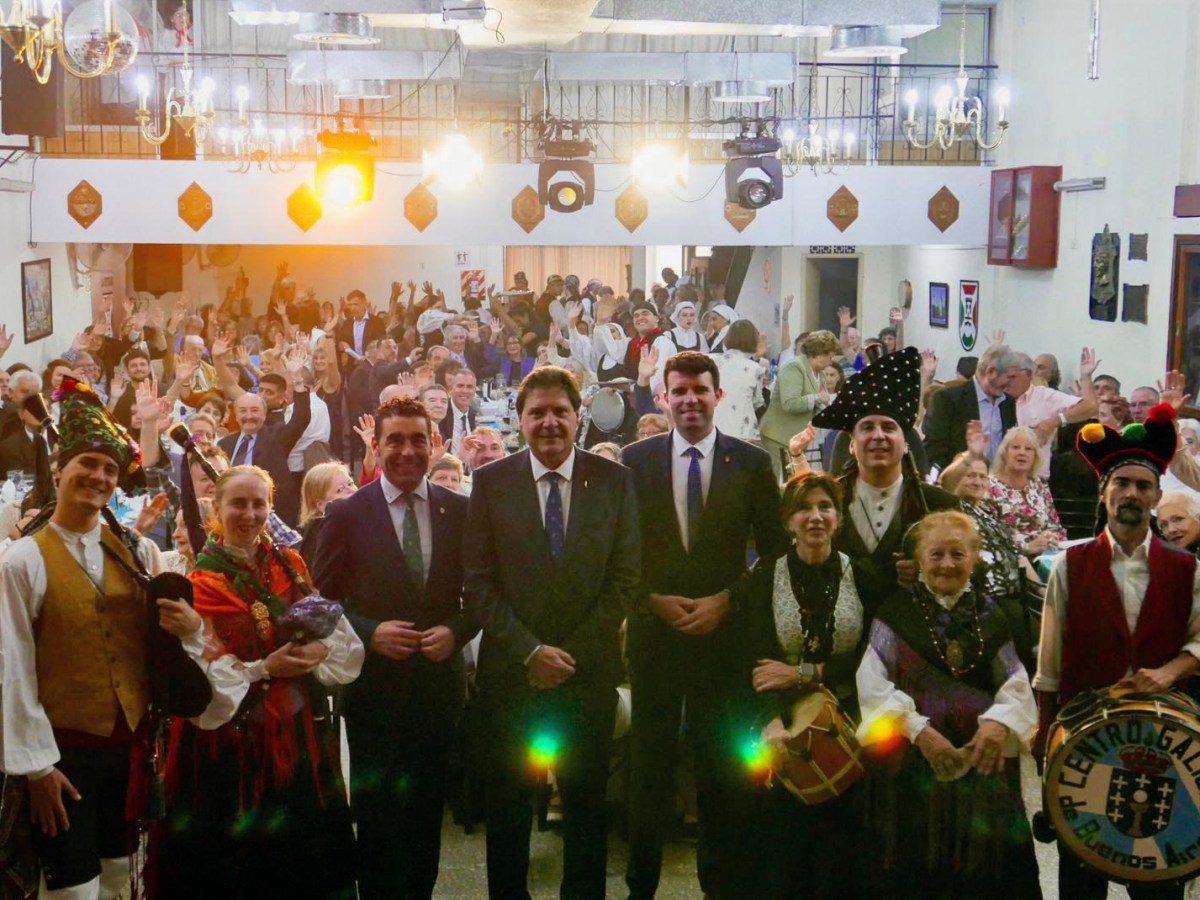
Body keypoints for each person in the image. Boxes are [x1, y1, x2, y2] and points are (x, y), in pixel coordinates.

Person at [0, 378, 225, 900]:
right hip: (63, 758)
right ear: (59, 469)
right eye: (87, 464)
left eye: (108, 469)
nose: (98, 477)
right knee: (73, 892)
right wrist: (37, 769)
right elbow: (12, 668)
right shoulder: (22, 561)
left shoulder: (140, 553)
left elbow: (163, 647)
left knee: (124, 880)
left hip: (131, 754)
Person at [463, 367, 640, 900]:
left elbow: (624, 579)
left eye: (560, 411)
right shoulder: (491, 483)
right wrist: (530, 652)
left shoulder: (615, 481)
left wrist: (568, 655)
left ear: (578, 416)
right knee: (508, 812)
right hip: (511, 678)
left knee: (585, 813)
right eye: (536, 412)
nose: (549, 423)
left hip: (587, 677)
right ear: (519, 420)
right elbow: (479, 583)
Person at [621, 351, 789, 899]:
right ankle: (641, 885)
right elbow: (619, 550)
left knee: (720, 769)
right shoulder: (634, 460)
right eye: (680, 391)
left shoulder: (752, 463)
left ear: (718, 395)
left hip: (723, 639)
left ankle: (721, 885)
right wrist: (649, 601)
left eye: (700, 390)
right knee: (649, 767)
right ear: (663, 398)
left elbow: (774, 554)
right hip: (655, 637)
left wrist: (727, 601)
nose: (690, 399)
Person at [159, 465, 363, 899]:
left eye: (259, 504)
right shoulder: (200, 585)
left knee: (301, 862)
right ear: (217, 509)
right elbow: (202, 679)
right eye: (238, 503)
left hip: (296, 732)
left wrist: (319, 650)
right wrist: (265, 668)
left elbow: (331, 632)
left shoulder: (291, 565)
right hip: (229, 746)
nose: (249, 514)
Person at [1033, 403, 1200, 900]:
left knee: (1159, 874)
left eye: (1143, 486)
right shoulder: (1070, 564)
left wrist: (1170, 670)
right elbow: (1049, 662)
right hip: (1084, 738)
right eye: (1121, 484)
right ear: (1104, 492)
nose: (1132, 494)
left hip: (1163, 740)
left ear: (1156, 498)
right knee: (1081, 877)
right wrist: (1044, 736)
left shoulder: (1187, 569)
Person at [313, 398, 475, 899]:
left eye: (417, 439)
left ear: (435, 443)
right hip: (374, 692)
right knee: (378, 820)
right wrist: (368, 631)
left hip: (438, 689)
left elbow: (484, 592)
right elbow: (320, 601)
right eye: (395, 441)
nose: (407, 451)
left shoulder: (460, 511)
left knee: (425, 817)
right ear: (377, 445)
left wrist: (457, 630)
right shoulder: (346, 513)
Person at [857, 510, 1041, 899]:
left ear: (974, 557)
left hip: (983, 763)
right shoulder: (894, 610)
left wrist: (998, 724)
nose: (947, 564)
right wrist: (919, 732)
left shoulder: (993, 613)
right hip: (914, 766)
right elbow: (872, 684)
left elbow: (1015, 682)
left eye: (958, 554)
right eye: (936, 554)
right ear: (919, 559)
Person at [733, 471, 866, 899]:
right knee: (785, 853)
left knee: (843, 855)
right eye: (803, 508)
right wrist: (770, 722)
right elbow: (752, 661)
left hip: (850, 720)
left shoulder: (861, 575)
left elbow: (872, 659)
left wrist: (805, 673)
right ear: (788, 520)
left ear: (838, 517)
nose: (815, 516)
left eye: (825, 507)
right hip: (780, 717)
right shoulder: (763, 578)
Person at [808, 347, 961, 623]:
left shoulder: (940, 506)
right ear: (851, 445)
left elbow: (967, 575)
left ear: (906, 444)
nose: (878, 436)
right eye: (867, 427)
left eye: (889, 428)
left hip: (912, 633)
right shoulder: (823, 501)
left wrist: (928, 570)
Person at [938, 448, 1035, 670]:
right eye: (970, 475)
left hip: (1015, 593)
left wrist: (1040, 589)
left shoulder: (987, 512)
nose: (978, 482)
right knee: (1027, 634)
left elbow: (1015, 553)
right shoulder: (951, 508)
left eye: (983, 476)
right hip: (985, 598)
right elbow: (946, 481)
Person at [216, 347, 311, 525]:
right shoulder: (224, 445)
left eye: (254, 410)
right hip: (233, 516)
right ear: (236, 415)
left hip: (271, 517)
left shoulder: (277, 437)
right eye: (243, 411)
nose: (249, 416)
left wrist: (297, 378)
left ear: (264, 415)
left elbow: (301, 419)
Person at [923, 343, 1021, 468]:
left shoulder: (1008, 403)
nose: (1012, 383)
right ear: (990, 371)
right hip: (959, 477)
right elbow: (934, 452)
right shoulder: (947, 399)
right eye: (1010, 377)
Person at [760, 330, 840, 480]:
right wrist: (817, 398)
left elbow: (819, 406)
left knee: (794, 481)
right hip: (778, 437)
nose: (831, 361)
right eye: (830, 356)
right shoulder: (794, 367)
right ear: (819, 353)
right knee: (781, 482)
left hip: (797, 440)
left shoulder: (820, 374)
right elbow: (790, 403)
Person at [987, 425, 1067, 557]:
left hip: (1047, 555)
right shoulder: (989, 486)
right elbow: (990, 536)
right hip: (1012, 559)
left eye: (1028, 449)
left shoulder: (1039, 484)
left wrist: (1052, 538)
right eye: (1015, 447)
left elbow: (1055, 527)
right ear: (1004, 453)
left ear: (1035, 456)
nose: (1022, 453)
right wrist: (1027, 547)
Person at [711, 320, 767, 443]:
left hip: (712, 426)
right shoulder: (755, 368)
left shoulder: (711, 360)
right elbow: (757, 402)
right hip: (741, 430)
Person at [297, 461, 357, 566]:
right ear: (321, 504)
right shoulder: (323, 534)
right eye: (340, 490)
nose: (351, 490)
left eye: (350, 484)